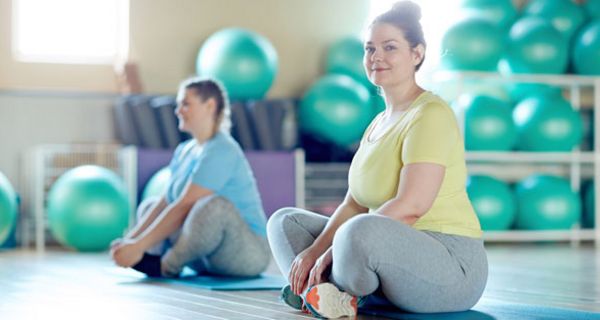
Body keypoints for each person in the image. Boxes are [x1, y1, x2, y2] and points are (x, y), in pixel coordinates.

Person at [267, 1, 488, 318]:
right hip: (385, 252)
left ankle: (331, 293)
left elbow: (411, 206)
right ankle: (328, 292)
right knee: (285, 221)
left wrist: (333, 251)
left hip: (451, 265)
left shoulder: (431, 114)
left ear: (417, 54)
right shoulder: (377, 123)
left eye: (390, 47)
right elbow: (353, 204)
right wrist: (313, 252)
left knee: (357, 233)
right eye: (370, 49)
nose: (376, 57)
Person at [111, 78, 270, 278]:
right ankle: (151, 257)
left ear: (210, 106)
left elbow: (185, 205)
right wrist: (130, 241)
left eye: (185, 104)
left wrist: (139, 245)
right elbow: (166, 201)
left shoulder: (222, 149)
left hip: (246, 253)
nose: (178, 111)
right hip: (205, 254)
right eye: (178, 105)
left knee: (213, 206)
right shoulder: (185, 150)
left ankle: (167, 265)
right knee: (150, 205)